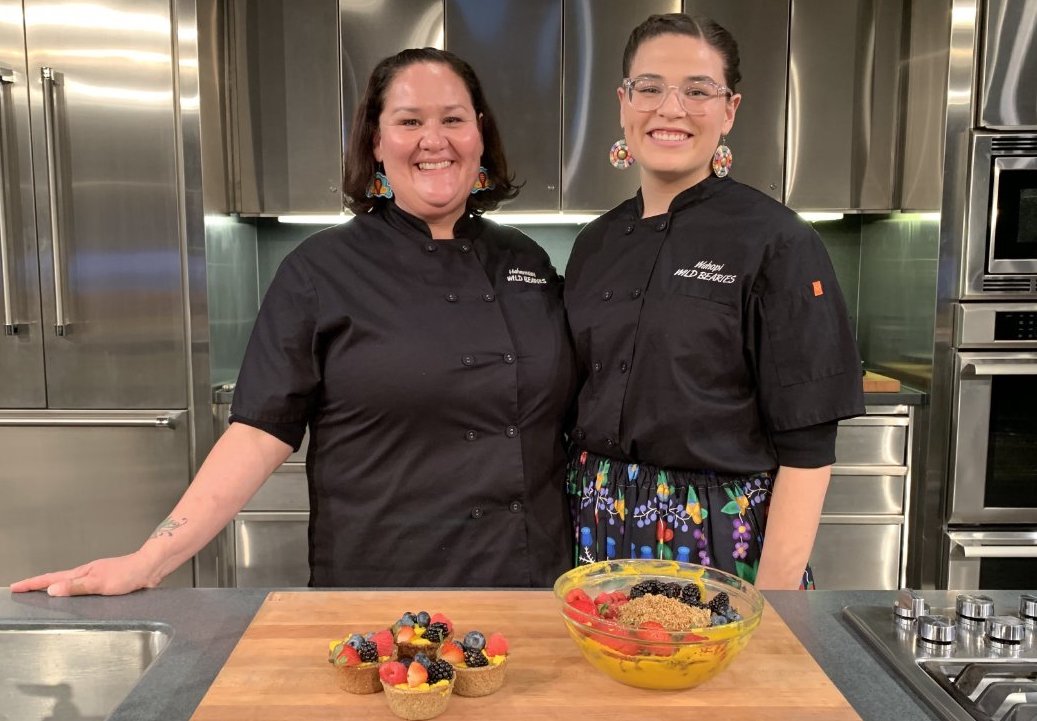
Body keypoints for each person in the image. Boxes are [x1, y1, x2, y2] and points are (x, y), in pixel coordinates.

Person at [12, 48, 577, 595]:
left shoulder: (524, 259)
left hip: (529, 586)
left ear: (478, 133)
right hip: (386, 596)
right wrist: (151, 558)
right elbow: (259, 433)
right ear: (377, 142)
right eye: (410, 121)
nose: (435, 140)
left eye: (453, 119)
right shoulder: (320, 269)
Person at [564, 14, 865, 590]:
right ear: (624, 103)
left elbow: (808, 447)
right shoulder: (593, 244)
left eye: (698, 90)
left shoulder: (778, 240)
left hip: (722, 543)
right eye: (649, 88)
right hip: (593, 530)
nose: (670, 108)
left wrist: (774, 607)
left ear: (729, 111)